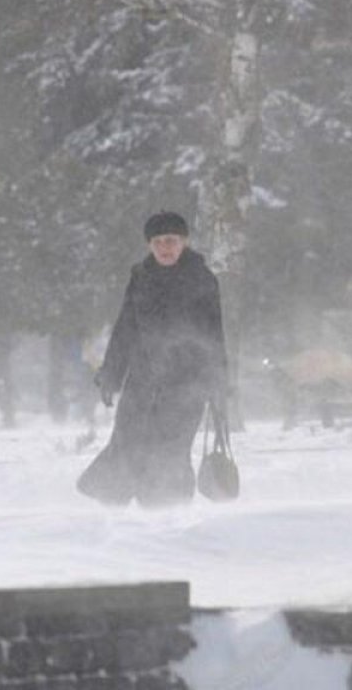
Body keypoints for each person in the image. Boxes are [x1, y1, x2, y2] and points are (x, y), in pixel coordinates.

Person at [77, 211, 227, 507]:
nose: (164, 248)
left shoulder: (201, 279)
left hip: (186, 383)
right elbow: (125, 329)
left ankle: (167, 514)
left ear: (184, 242)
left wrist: (217, 382)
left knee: (170, 449)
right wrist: (111, 375)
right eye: (157, 242)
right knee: (127, 441)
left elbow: (214, 333)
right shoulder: (141, 277)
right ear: (149, 245)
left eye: (171, 240)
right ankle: (111, 512)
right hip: (143, 379)